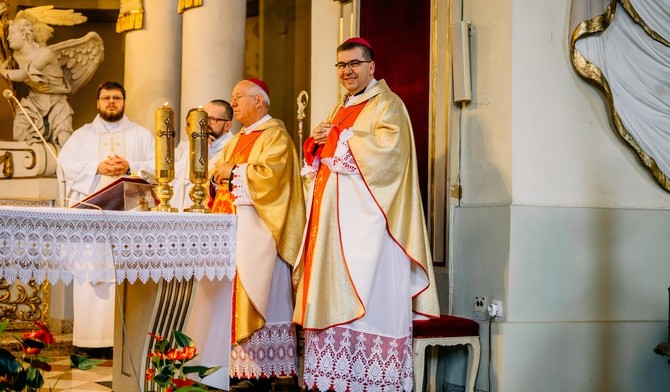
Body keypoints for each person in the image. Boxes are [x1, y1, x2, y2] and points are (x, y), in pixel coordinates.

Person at [292, 37, 441, 391]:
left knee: (371, 301)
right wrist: (315, 144)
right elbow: (325, 160)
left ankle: (371, 381)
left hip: (372, 229)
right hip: (335, 225)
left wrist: (339, 139)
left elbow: (389, 154)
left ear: (371, 67)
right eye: (341, 65)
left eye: (354, 64)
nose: (347, 71)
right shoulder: (339, 107)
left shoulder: (388, 104)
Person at [185, 78, 304, 390]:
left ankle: (270, 370)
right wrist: (216, 178)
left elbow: (273, 180)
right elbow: (221, 173)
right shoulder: (238, 140)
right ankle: (241, 369)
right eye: (233, 98)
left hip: (262, 234)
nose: (233, 103)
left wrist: (234, 173)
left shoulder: (276, 136)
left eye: (238, 98)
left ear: (259, 102)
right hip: (232, 231)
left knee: (265, 295)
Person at [58, 81, 155, 353]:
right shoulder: (81, 136)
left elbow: (158, 165)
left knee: (125, 274)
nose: (111, 102)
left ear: (124, 101)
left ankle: (124, 341)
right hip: (92, 218)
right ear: (97, 103)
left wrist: (131, 166)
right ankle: (89, 341)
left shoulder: (142, 135)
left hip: (129, 220)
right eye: (106, 98)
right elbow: (64, 164)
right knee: (92, 275)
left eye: (117, 97)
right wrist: (97, 167)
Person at [0, 18, 73, 147]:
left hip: (56, 103)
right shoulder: (17, 55)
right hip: (34, 102)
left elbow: (24, 74)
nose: (8, 38)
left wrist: (3, 71)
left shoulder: (45, 54)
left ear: (25, 34)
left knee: (64, 141)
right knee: (19, 133)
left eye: (12, 33)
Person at [172, 99, 234, 210]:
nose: (205, 123)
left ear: (227, 125)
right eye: (204, 117)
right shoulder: (196, 146)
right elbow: (177, 178)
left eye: (212, 119)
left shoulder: (231, 149)